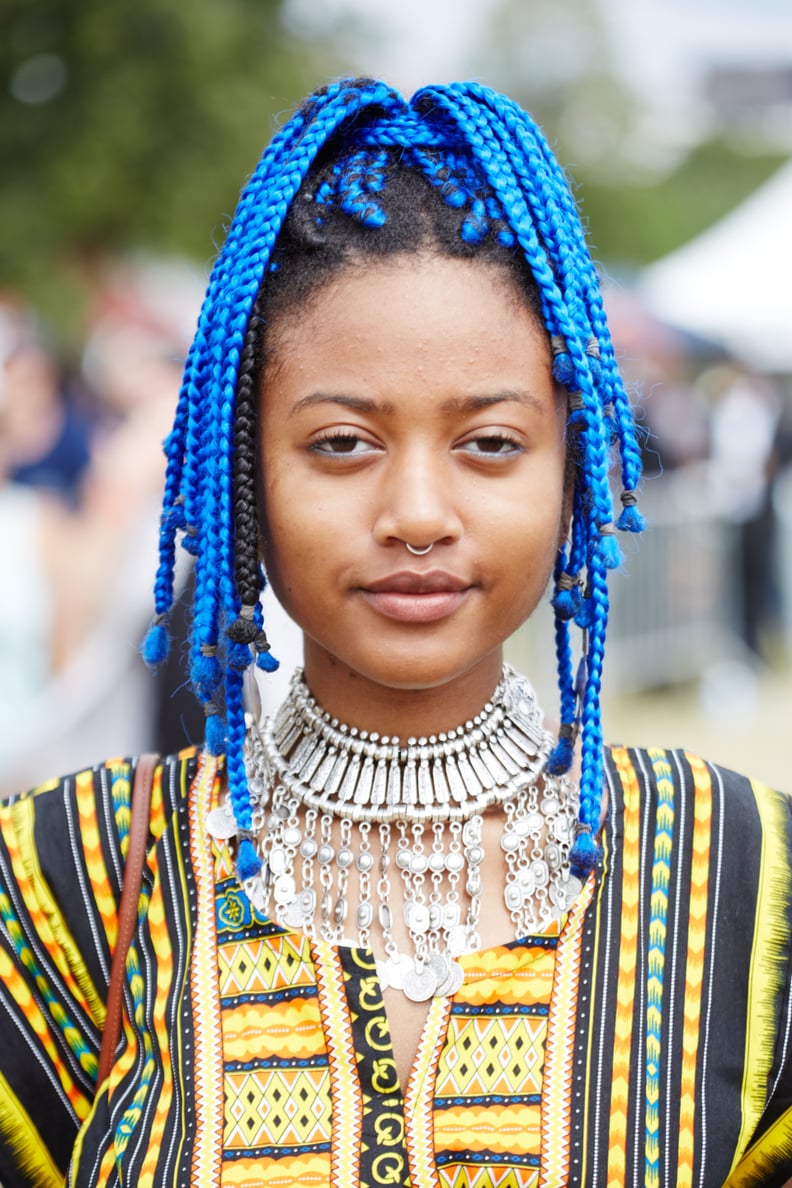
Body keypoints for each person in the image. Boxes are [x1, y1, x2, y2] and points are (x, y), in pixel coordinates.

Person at [1, 77, 791, 1188]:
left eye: (491, 444)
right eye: (339, 444)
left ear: (574, 464)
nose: (418, 512)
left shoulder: (746, 877)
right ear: (245, 468)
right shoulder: (64, 885)